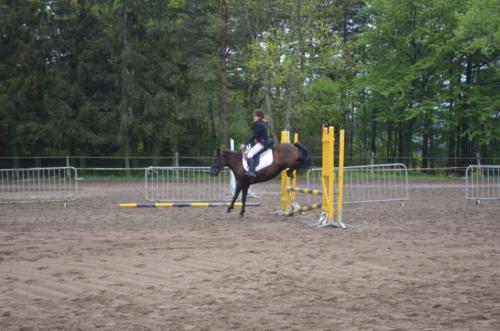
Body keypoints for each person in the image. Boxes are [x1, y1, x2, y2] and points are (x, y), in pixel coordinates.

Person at [242, 109, 270, 177]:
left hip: (262, 144)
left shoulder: (259, 124)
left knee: (249, 155)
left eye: (254, 116)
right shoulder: (261, 123)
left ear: (258, 117)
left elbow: (254, 135)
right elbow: (257, 135)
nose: (253, 117)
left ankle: (252, 171)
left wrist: (245, 144)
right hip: (260, 142)